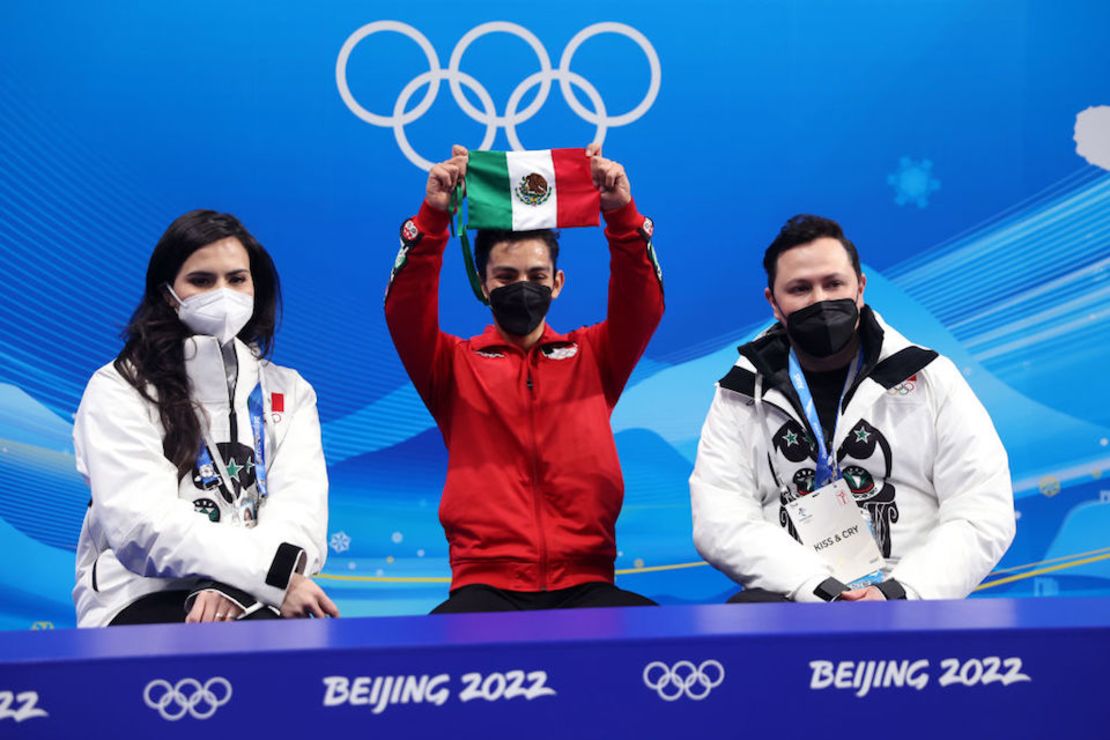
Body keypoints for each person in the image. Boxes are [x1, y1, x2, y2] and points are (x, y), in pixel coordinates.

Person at [385, 144, 664, 613]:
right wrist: (432, 219)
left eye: (537, 274)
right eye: (506, 275)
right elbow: (404, 310)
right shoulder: (452, 363)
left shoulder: (594, 355)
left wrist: (621, 214)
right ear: (483, 286)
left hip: (588, 579)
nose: (523, 286)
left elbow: (644, 304)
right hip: (485, 585)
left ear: (557, 282)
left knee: (657, 645)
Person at [689, 214, 1015, 603]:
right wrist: (818, 588)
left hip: (910, 599)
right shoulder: (740, 393)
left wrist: (898, 593)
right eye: (800, 289)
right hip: (795, 599)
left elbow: (982, 510)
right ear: (773, 303)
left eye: (833, 284)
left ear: (860, 287)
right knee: (747, 610)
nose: (820, 300)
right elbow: (720, 520)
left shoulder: (930, 379)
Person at [73, 210, 339, 626]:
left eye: (237, 279)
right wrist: (264, 575)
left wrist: (237, 584)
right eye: (201, 281)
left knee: (311, 651)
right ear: (167, 293)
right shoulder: (119, 387)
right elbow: (143, 525)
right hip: (141, 594)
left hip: (258, 595)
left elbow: (301, 508)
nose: (223, 293)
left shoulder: (289, 391)